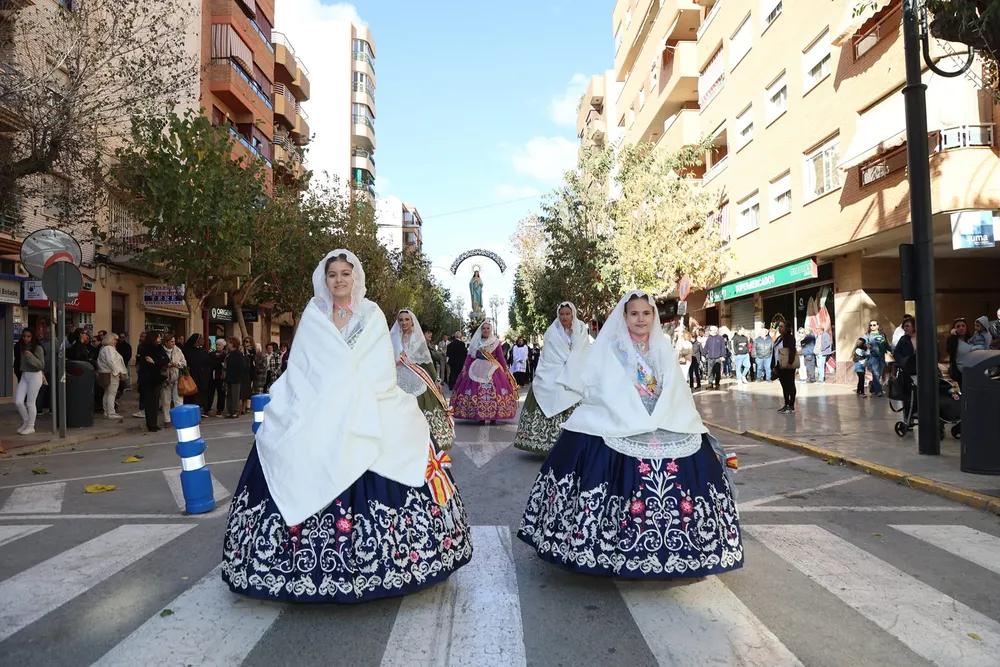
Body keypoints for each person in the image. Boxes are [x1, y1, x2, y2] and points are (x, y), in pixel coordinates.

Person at [222, 250, 472, 603]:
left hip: (368, 400)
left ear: (355, 278)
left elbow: (379, 366)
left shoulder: (371, 315)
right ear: (323, 280)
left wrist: (351, 394)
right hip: (318, 401)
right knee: (290, 443)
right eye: (332, 275)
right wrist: (324, 395)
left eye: (345, 274)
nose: (339, 280)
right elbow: (304, 367)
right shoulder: (313, 314)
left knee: (401, 442)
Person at [518, 291, 743, 578]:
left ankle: (685, 546)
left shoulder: (663, 348)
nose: (640, 319)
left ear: (653, 317)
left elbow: (675, 387)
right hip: (619, 415)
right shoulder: (612, 348)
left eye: (646, 313)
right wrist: (626, 403)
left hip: (662, 416)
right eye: (634, 313)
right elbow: (600, 385)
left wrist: (670, 410)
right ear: (624, 317)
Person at [513, 302, 592, 454]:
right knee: (549, 397)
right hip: (553, 373)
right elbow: (548, 356)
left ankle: (574, 447)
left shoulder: (581, 330)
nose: (564, 317)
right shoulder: (552, 332)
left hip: (576, 373)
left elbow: (583, 352)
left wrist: (573, 366)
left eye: (567, 314)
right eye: (561, 314)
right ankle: (546, 445)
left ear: (573, 314)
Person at [391, 309, 455, 451]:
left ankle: (427, 447)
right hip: (398, 382)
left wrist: (437, 380)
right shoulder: (393, 339)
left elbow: (427, 362)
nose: (403, 322)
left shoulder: (418, 340)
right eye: (401, 320)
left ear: (412, 321)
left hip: (417, 380)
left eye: (406, 319)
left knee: (421, 413)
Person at [450, 319, 519, 424]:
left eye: (488, 328)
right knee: (477, 390)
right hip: (476, 367)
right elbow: (470, 356)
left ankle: (494, 416)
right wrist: (465, 368)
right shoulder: (476, 342)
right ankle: (480, 416)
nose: (486, 330)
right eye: (484, 328)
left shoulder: (495, 342)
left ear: (490, 330)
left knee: (495, 390)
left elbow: (500, 357)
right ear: (480, 330)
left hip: (493, 369)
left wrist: (505, 369)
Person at [14, 328, 45, 435]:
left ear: (33, 337)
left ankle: (31, 426)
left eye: (28, 336)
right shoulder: (22, 347)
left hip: (35, 376)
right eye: (24, 336)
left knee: (30, 402)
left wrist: (30, 356)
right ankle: (26, 422)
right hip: (24, 375)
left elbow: (41, 365)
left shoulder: (38, 348)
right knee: (18, 401)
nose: (26, 338)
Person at [137, 331, 169, 432]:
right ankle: (150, 424)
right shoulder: (143, 348)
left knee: (155, 401)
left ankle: (154, 423)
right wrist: (154, 362)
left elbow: (166, 359)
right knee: (149, 402)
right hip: (146, 378)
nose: (160, 339)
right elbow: (145, 362)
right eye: (158, 337)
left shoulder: (159, 348)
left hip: (156, 378)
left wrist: (154, 361)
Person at [97, 334, 127, 419]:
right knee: (111, 393)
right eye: (115, 339)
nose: (117, 341)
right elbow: (111, 361)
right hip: (111, 373)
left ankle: (107, 411)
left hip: (106, 372)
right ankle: (111, 412)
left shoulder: (104, 348)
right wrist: (116, 371)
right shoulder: (109, 349)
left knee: (107, 393)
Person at [160, 334, 186, 427]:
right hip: (165, 378)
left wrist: (177, 364)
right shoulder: (161, 350)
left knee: (178, 400)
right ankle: (167, 420)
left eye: (174, 341)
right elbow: (158, 363)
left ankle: (179, 419)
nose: (173, 343)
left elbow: (184, 362)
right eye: (171, 341)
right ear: (166, 342)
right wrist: (166, 365)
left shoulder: (177, 350)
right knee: (166, 400)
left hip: (176, 377)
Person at [774, 321, 798, 413]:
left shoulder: (790, 338)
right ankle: (786, 404)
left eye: (781, 326)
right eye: (779, 327)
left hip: (788, 365)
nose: (779, 328)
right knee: (784, 386)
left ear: (787, 328)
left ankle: (791, 406)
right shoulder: (779, 338)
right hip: (780, 365)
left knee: (790, 385)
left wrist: (790, 362)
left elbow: (791, 350)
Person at [181, 334, 210, 408]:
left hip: (202, 377)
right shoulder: (187, 351)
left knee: (200, 396)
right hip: (191, 376)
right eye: (201, 339)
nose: (203, 340)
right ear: (196, 341)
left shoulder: (203, 351)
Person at [864, 320, 888, 397]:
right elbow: (861, 343)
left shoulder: (882, 335)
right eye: (870, 325)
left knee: (879, 374)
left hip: (881, 357)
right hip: (872, 357)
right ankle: (879, 391)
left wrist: (893, 350)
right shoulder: (867, 335)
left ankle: (873, 388)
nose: (872, 327)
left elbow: (886, 345)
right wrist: (866, 345)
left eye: (874, 325)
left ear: (878, 326)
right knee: (876, 374)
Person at [224, 337, 245, 419]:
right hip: (228, 377)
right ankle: (230, 411)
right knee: (229, 395)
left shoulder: (238, 354)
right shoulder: (229, 354)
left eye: (229, 343)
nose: (227, 344)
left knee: (235, 395)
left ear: (233, 344)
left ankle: (235, 411)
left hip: (236, 378)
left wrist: (238, 377)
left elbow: (241, 367)